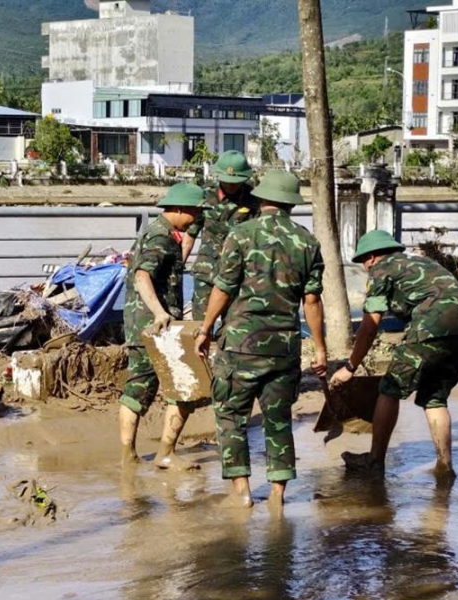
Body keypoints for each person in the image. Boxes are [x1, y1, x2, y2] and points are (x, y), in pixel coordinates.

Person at [194, 170, 328, 510]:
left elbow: (223, 288)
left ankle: (242, 489)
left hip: (240, 346)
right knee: (278, 420)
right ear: (290, 204)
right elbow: (311, 302)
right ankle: (278, 495)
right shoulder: (307, 243)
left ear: (263, 199)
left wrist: (205, 329)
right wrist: (321, 348)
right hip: (283, 349)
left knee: (231, 415)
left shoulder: (241, 234)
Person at [329, 231, 458, 480]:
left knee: (389, 388)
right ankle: (445, 466)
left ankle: (374, 461)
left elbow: (370, 325)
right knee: (435, 398)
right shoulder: (424, 262)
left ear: (371, 257)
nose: (365, 268)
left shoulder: (382, 270)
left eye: (364, 263)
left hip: (430, 328)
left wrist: (350, 367)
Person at [119, 182, 208, 470]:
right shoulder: (161, 237)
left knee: (136, 389)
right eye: (194, 211)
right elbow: (143, 276)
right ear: (180, 209)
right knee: (184, 388)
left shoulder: (157, 232)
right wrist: (159, 313)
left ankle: (128, 456)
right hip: (158, 328)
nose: (197, 217)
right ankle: (164, 454)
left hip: (139, 326)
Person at [181, 150, 261, 320]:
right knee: (200, 325)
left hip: (239, 272)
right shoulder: (205, 196)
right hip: (207, 271)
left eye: (236, 181)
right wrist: (178, 265)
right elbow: (190, 236)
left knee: (233, 325)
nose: (231, 185)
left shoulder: (253, 199)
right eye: (227, 180)